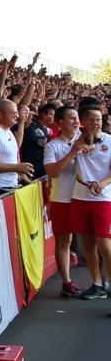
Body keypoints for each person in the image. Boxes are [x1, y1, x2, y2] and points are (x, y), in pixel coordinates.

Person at [68, 104, 111, 301]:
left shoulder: (110, 141)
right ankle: (97, 284)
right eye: (92, 119)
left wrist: (102, 183)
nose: (96, 123)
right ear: (83, 122)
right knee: (88, 244)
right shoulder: (75, 142)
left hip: (103, 199)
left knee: (105, 243)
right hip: (80, 198)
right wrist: (77, 149)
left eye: (99, 119)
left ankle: (109, 282)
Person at [43, 105, 83, 297]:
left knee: (97, 241)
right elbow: (53, 172)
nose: (76, 121)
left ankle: (101, 282)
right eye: (71, 118)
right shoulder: (52, 146)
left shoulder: (88, 140)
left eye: (77, 118)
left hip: (87, 197)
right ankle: (67, 282)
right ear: (60, 123)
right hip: (62, 198)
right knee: (64, 241)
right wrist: (73, 152)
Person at [0, 98, 31, 201]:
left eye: (17, 112)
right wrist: (16, 167)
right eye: (13, 113)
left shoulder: (9, 132)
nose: (16, 115)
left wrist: (25, 177)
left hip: (10, 186)